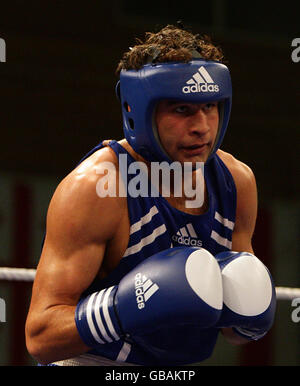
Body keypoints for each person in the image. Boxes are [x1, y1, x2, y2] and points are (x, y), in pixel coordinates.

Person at [25, 24, 276, 366]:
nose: (202, 126)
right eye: (182, 109)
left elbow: (234, 328)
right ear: (137, 110)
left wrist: (246, 320)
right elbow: (40, 337)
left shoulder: (236, 181)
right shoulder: (96, 188)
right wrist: (123, 308)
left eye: (210, 106)